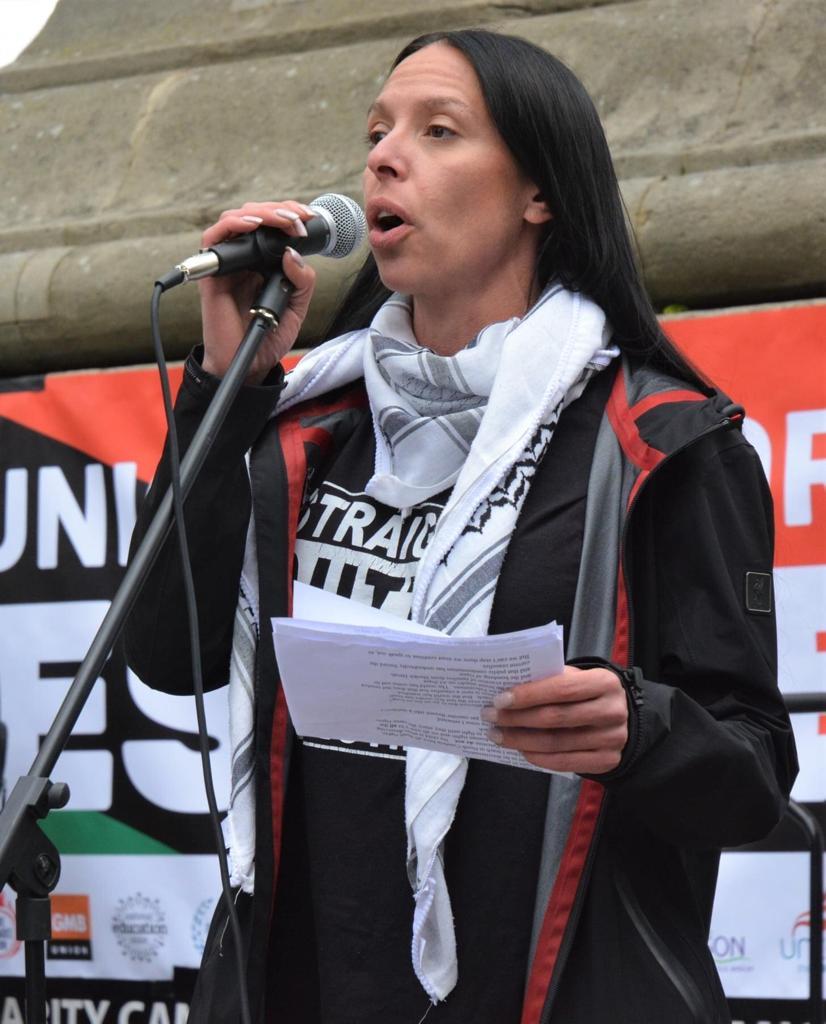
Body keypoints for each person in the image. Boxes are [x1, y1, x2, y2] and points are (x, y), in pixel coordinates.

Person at [125, 28, 798, 1024]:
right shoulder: (306, 426)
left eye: (438, 131)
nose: (384, 157)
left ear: (540, 193)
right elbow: (165, 654)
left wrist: (637, 725)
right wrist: (228, 384)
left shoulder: (659, 443)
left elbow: (755, 775)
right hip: (312, 981)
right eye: (376, 133)